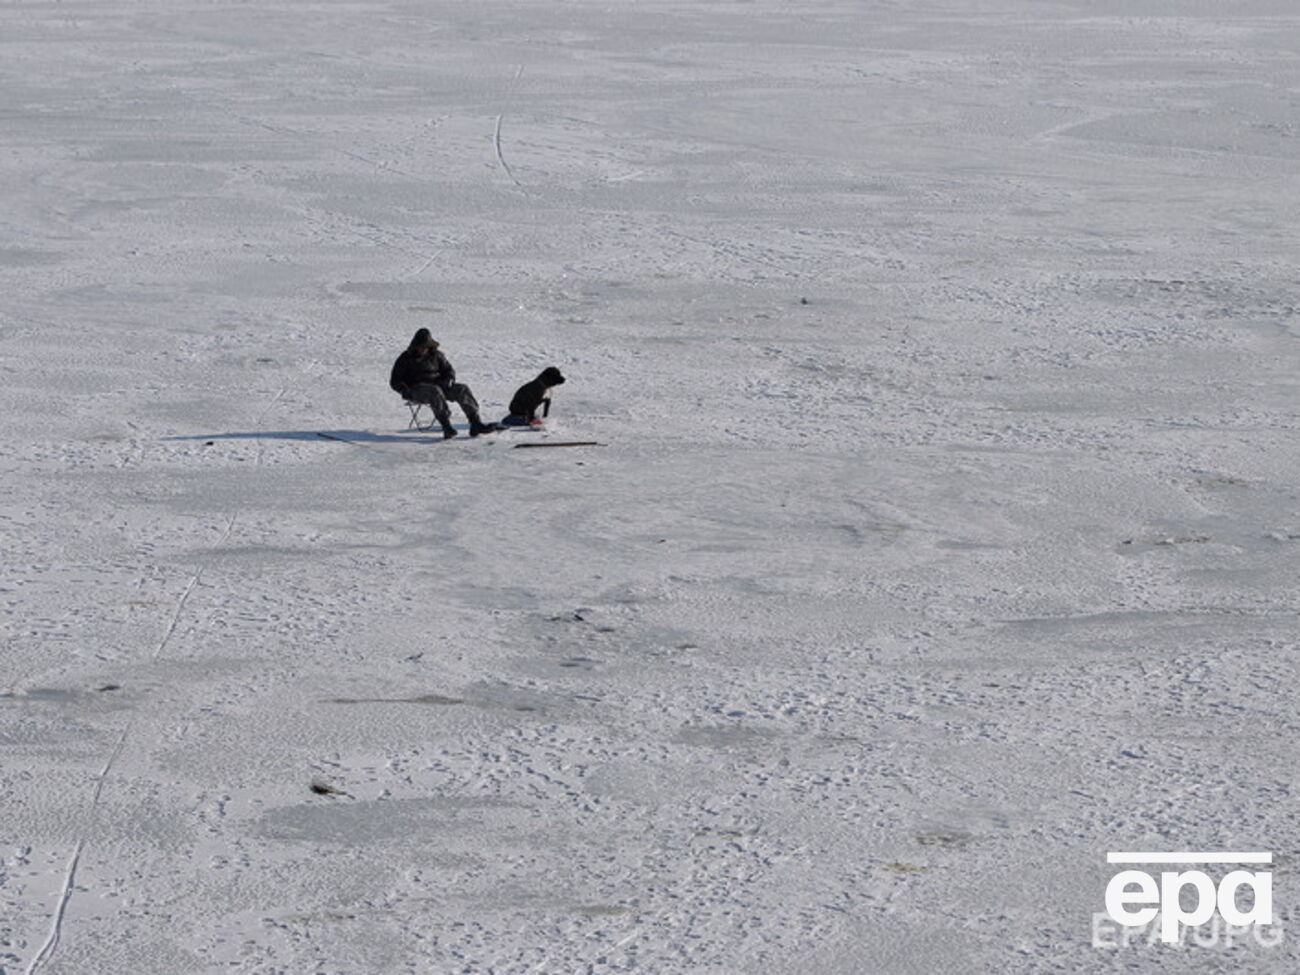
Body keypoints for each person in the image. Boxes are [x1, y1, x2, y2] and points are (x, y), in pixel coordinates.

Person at [389, 328, 499, 439]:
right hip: (416, 389)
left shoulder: (437, 355)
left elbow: (449, 370)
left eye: (425, 346)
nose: (422, 349)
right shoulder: (405, 358)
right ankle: (446, 426)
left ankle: (475, 423)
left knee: (462, 389)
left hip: (439, 386)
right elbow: (395, 381)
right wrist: (404, 390)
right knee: (434, 391)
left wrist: (449, 380)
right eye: (420, 346)